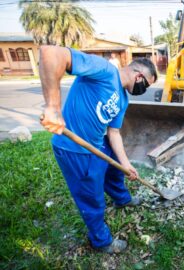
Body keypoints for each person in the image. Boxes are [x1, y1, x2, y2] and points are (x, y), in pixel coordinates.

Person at [39, 45, 157, 254]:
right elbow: (51, 53)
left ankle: (122, 199)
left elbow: (114, 134)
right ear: (139, 76)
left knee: (115, 171)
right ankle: (101, 241)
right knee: (92, 197)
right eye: (146, 85)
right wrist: (53, 107)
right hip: (75, 148)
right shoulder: (104, 70)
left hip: (98, 143)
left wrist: (126, 164)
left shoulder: (123, 99)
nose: (144, 91)